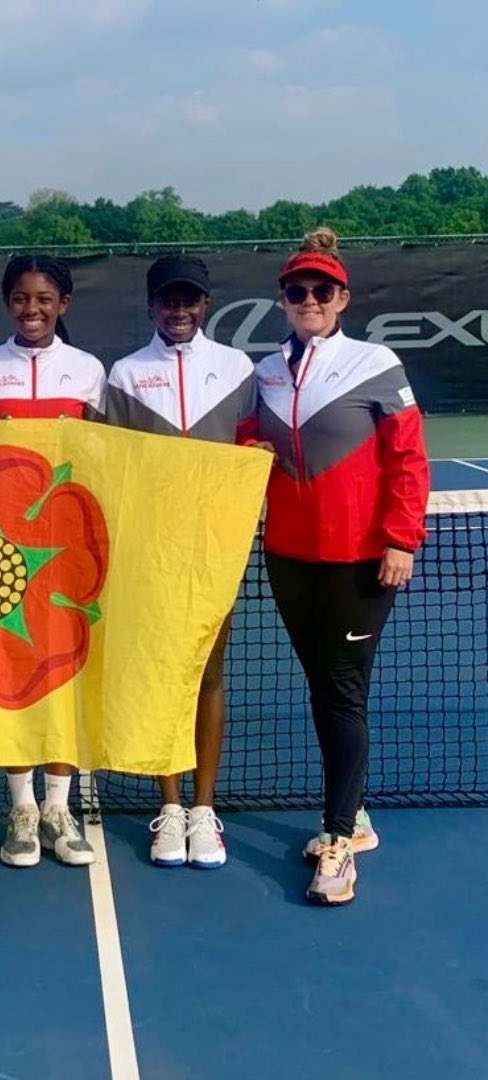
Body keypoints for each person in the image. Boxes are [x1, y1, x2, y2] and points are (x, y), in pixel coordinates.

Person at [256, 227, 429, 905]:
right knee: (324, 687)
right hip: (289, 559)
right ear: (283, 299)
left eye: (320, 290)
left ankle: (338, 842)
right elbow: (243, 456)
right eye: (297, 290)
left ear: (342, 297)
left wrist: (401, 539)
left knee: (343, 690)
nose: (308, 299)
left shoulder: (375, 363)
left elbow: (407, 458)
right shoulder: (267, 372)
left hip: (360, 562)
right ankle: (352, 815)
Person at [0, 254, 106, 869]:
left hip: (69, 548)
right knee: (13, 672)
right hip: (0, 551)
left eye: (44, 299)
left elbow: (105, 452)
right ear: (7, 304)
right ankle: (20, 809)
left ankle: (58, 806)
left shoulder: (89, 371)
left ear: (63, 305)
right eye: (20, 298)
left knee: (66, 669)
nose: (32, 309)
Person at [106, 255, 257, 870]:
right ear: (151, 307)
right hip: (151, 550)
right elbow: (114, 463)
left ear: (205, 305)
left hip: (216, 547)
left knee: (209, 672)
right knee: (163, 676)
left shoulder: (238, 369)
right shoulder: (125, 374)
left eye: (190, 300)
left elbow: (252, 450)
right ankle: (169, 809)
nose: (179, 311)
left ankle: (202, 809)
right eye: (168, 301)